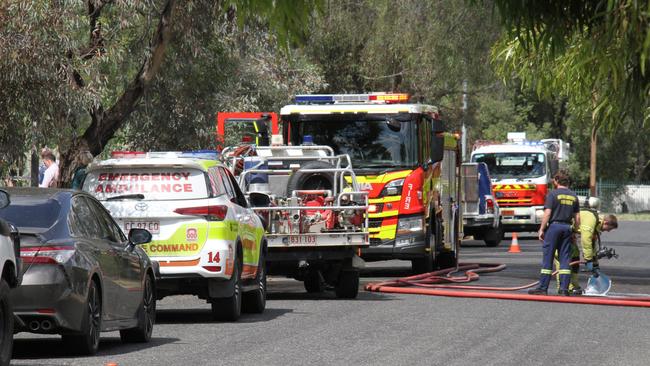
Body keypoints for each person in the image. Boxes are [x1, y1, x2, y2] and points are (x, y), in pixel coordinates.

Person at [528, 169, 580, 296]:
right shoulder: (573, 196)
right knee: (565, 259)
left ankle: (543, 287)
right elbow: (577, 218)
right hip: (567, 228)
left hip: (554, 228)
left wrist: (541, 229)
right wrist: (574, 232)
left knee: (548, 258)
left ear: (556, 181)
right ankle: (564, 289)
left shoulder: (552, 194)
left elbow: (548, 213)